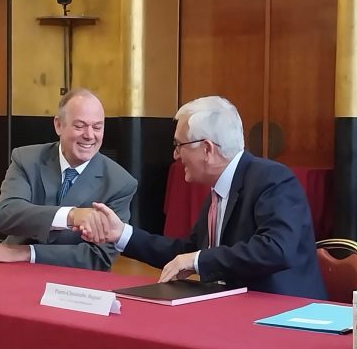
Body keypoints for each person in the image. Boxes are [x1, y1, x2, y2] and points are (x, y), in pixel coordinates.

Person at [81, 96, 327, 299]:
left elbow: (276, 249)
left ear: (207, 149)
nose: (176, 155)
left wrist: (197, 260)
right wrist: (120, 234)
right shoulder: (218, 191)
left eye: (179, 145)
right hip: (233, 309)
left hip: (283, 315)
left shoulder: (273, 180)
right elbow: (187, 253)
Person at [0, 88, 137, 270]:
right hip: (14, 272)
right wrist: (71, 215)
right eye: (79, 126)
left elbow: (100, 257)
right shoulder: (26, 159)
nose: (89, 135)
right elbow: (7, 215)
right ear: (58, 125)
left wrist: (27, 253)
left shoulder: (120, 183)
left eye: (97, 127)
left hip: (74, 280)